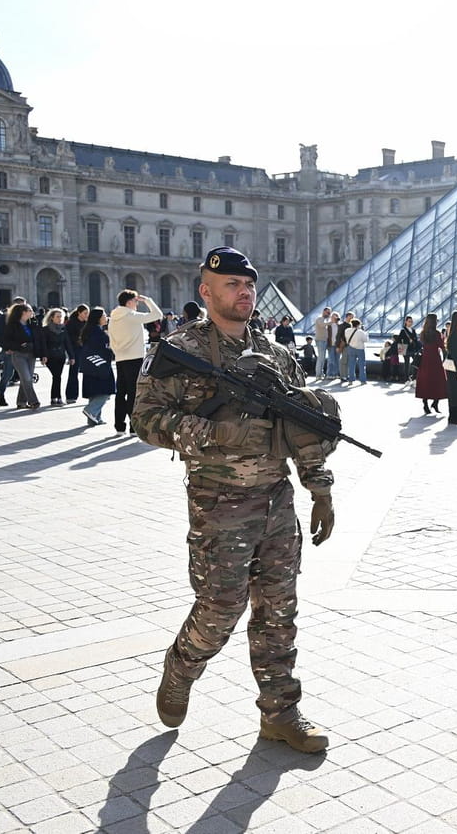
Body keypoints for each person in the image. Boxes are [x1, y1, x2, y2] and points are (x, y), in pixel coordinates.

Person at [134, 246, 336, 754]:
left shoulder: (275, 355)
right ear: (206, 291)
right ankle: (181, 666)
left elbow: (303, 429)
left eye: (249, 284)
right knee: (221, 608)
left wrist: (320, 488)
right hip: (218, 503)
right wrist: (216, 433)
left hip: (276, 500)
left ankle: (281, 712)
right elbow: (146, 421)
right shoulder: (180, 351)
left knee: (278, 610)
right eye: (231, 285)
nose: (243, 292)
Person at [108, 289, 163, 434]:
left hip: (120, 358)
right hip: (135, 358)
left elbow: (111, 338)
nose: (137, 304)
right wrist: (147, 300)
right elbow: (158, 315)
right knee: (133, 393)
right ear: (130, 302)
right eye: (135, 302)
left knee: (120, 393)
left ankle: (119, 426)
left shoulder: (113, 317)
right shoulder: (131, 316)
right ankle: (133, 426)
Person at [0, 301, 41, 410]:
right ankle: (34, 401)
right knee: (27, 378)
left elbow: (38, 338)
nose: (32, 312)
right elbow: (5, 341)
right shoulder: (12, 325)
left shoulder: (32, 323)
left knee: (25, 379)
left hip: (31, 354)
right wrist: (18, 346)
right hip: (19, 354)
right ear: (23, 312)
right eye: (29, 310)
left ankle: (21, 402)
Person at [78, 307, 114, 426]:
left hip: (91, 365)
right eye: (104, 315)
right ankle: (91, 411)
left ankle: (94, 418)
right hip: (99, 364)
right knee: (105, 390)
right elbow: (100, 348)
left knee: (95, 391)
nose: (106, 317)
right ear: (98, 318)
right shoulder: (96, 332)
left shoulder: (91, 329)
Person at [415, 314, 448, 414]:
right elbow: (441, 346)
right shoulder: (437, 333)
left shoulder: (423, 333)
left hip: (425, 360)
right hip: (435, 359)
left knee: (425, 382)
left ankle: (425, 404)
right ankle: (435, 402)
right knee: (438, 381)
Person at [39, 309, 68, 406]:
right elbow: (43, 344)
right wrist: (43, 356)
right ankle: (56, 397)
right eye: (58, 316)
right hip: (50, 357)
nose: (60, 319)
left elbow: (67, 344)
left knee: (57, 377)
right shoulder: (45, 329)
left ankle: (56, 398)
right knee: (56, 376)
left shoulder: (63, 329)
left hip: (60, 356)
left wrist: (72, 356)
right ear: (52, 318)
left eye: (61, 317)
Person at [64, 305, 89, 404]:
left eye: (88, 313)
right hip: (75, 350)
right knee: (73, 373)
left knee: (88, 372)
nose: (87, 315)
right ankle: (71, 395)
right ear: (79, 313)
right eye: (85, 313)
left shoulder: (87, 323)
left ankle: (89, 393)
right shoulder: (71, 323)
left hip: (86, 350)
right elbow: (68, 339)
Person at [344, 317, 368, 383]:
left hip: (351, 348)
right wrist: (365, 332)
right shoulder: (361, 332)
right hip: (360, 349)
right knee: (361, 365)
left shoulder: (347, 330)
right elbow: (366, 340)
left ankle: (351, 379)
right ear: (358, 325)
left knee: (351, 364)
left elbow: (346, 339)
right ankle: (362, 380)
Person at [395, 315, 418, 382]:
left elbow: (416, 339)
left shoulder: (413, 330)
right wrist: (403, 346)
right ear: (406, 322)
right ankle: (406, 378)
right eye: (409, 321)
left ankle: (413, 376)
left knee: (416, 362)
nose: (410, 323)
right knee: (406, 364)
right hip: (406, 349)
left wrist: (413, 340)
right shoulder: (403, 330)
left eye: (411, 321)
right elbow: (399, 340)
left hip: (413, 349)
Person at [313, 307, 333, 377]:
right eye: (328, 312)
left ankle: (320, 373)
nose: (329, 314)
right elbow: (322, 325)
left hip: (324, 340)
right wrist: (330, 322)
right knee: (321, 358)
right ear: (324, 311)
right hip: (320, 340)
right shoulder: (320, 318)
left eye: (329, 313)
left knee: (323, 358)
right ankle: (318, 374)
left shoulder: (325, 320)